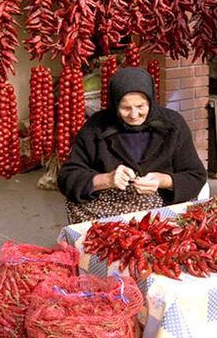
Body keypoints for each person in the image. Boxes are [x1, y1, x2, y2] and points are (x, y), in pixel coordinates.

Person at [58, 66, 207, 223]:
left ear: (151, 101)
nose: (134, 115)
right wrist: (106, 179)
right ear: (115, 104)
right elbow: (67, 177)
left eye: (141, 106)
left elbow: (195, 176)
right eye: (125, 108)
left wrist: (163, 180)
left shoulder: (173, 125)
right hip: (105, 209)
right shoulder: (97, 127)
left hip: (159, 205)